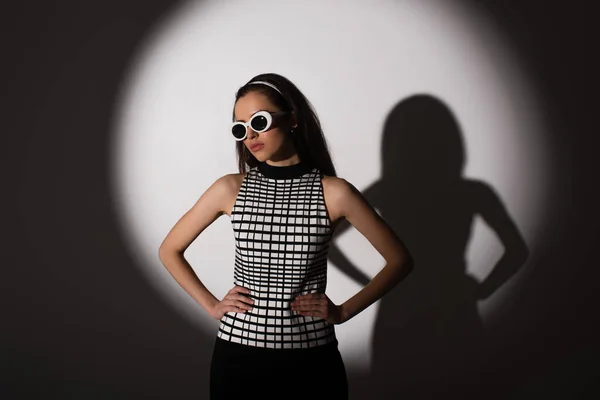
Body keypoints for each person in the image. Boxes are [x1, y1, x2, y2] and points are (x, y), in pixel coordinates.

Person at [158, 73, 414, 399]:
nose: (250, 134)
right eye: (240, 127)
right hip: (238, 358)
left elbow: (399, 261)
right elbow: (170, 249)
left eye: (259, 121)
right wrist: (211, 305)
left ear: (292, 119)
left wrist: (343, 311)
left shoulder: (334, 193)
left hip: (310, 360)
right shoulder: (229, 188)